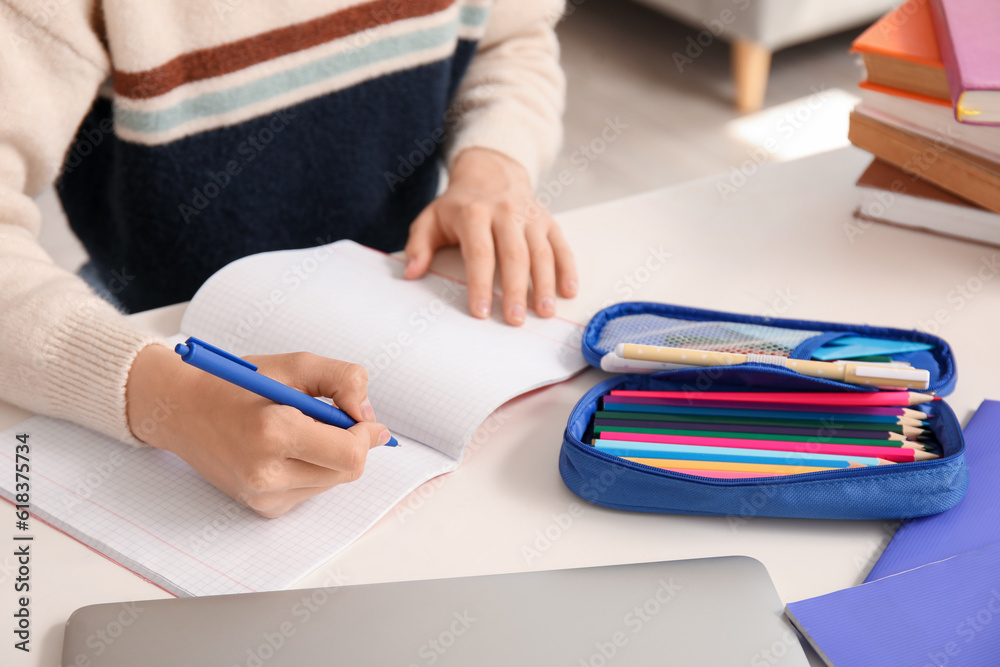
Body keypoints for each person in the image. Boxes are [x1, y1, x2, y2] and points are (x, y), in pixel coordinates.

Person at [0, 0, 575, 517]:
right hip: (139, 327)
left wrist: (495, 162)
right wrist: (166, 400)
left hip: (404, 293)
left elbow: (513, 37)